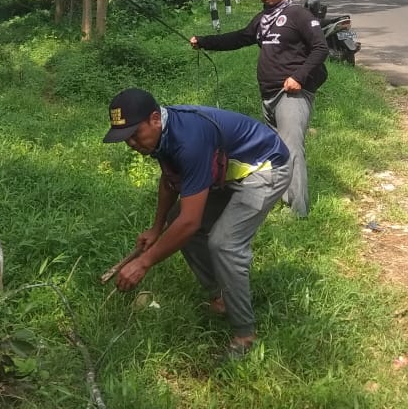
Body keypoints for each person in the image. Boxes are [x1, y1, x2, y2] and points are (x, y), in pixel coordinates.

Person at [103, 87, 291, 358]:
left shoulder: (188, 140)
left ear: (155, 119)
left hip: (265, 168)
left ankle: (245, 335)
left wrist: (143, 263)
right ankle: (223, 296)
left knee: (224, 244)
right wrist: (157, 228)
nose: (131, 143)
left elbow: (189, 222)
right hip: (228, 173)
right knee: (176, 221)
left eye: (134, 134)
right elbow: (170, 179)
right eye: (125, 138)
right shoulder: (162, 135)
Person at [189, 0, 327, 217]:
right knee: (276, 151)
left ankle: (298, 212)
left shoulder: (298, 14)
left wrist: (298, 76)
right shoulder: (263, 19)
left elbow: (320, 48)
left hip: (292, 95)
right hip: (269, 96)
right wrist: (204, 42)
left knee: (291, 150)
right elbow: (240, 37)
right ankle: (282, 199)